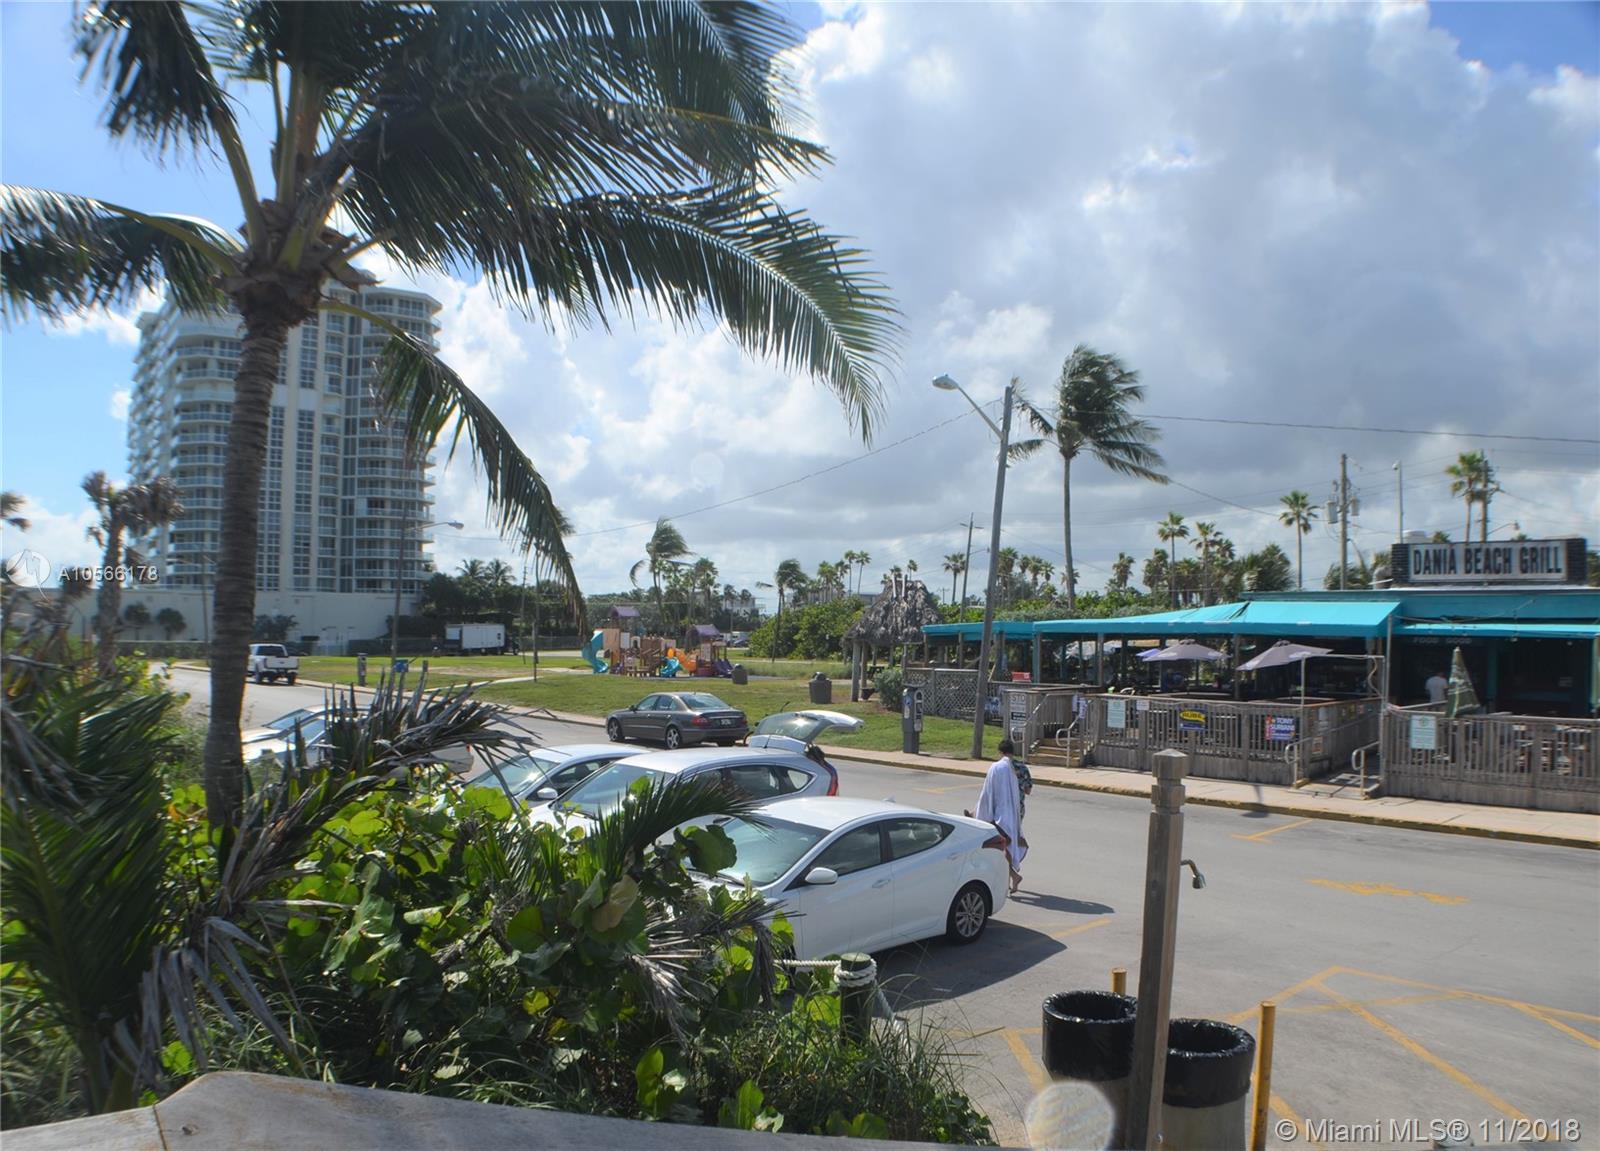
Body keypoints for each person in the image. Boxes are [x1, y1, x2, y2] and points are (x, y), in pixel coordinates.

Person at [969, 738, 1028, 894]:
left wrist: (978, 812)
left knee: (1000, 847)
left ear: (1000, 752)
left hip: (999, 815)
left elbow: (987, 792)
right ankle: (1011, 878)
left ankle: (1013, 877)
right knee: (1005, 846)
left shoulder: (995, 767)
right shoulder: (1015, 768)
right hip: (1013, 813)